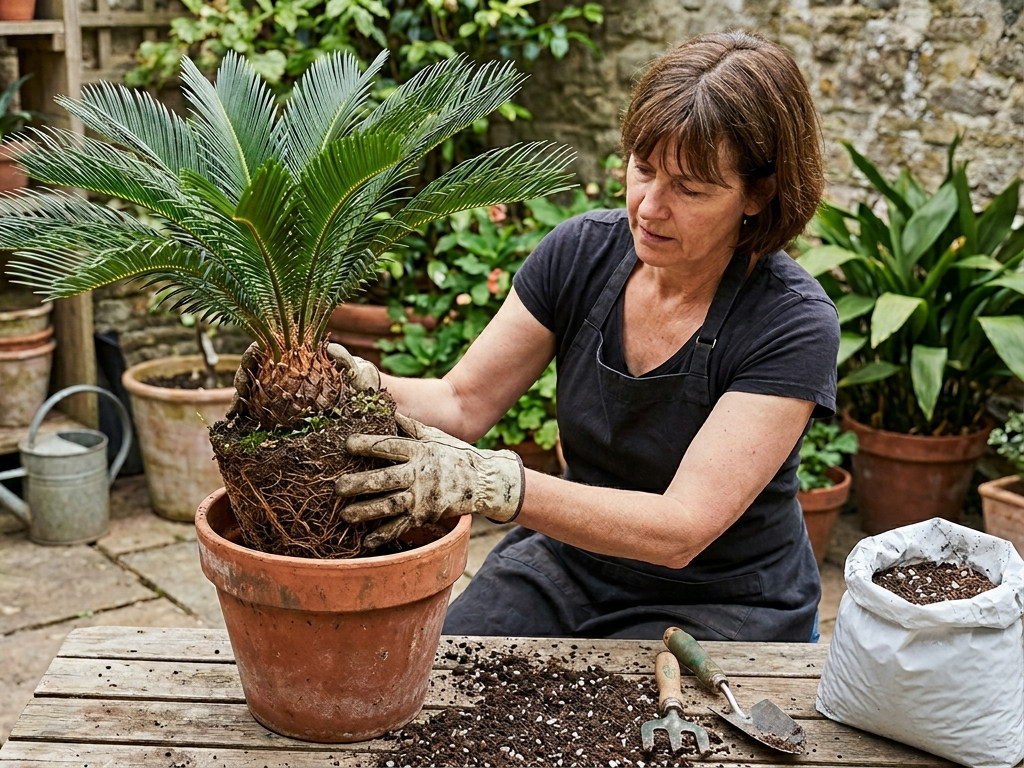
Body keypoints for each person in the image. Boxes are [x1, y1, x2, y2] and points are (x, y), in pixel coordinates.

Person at [332, 31, 839, 642]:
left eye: (690, 189)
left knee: (616, 730)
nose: (650, 206)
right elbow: (461, 403)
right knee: (444, 670)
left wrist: (496, 485)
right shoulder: (580, 254)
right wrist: (346, 385)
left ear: (759, 195)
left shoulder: (792, 323)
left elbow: (681, 528)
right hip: (572, 560)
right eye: (644, 169)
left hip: (721, 598)